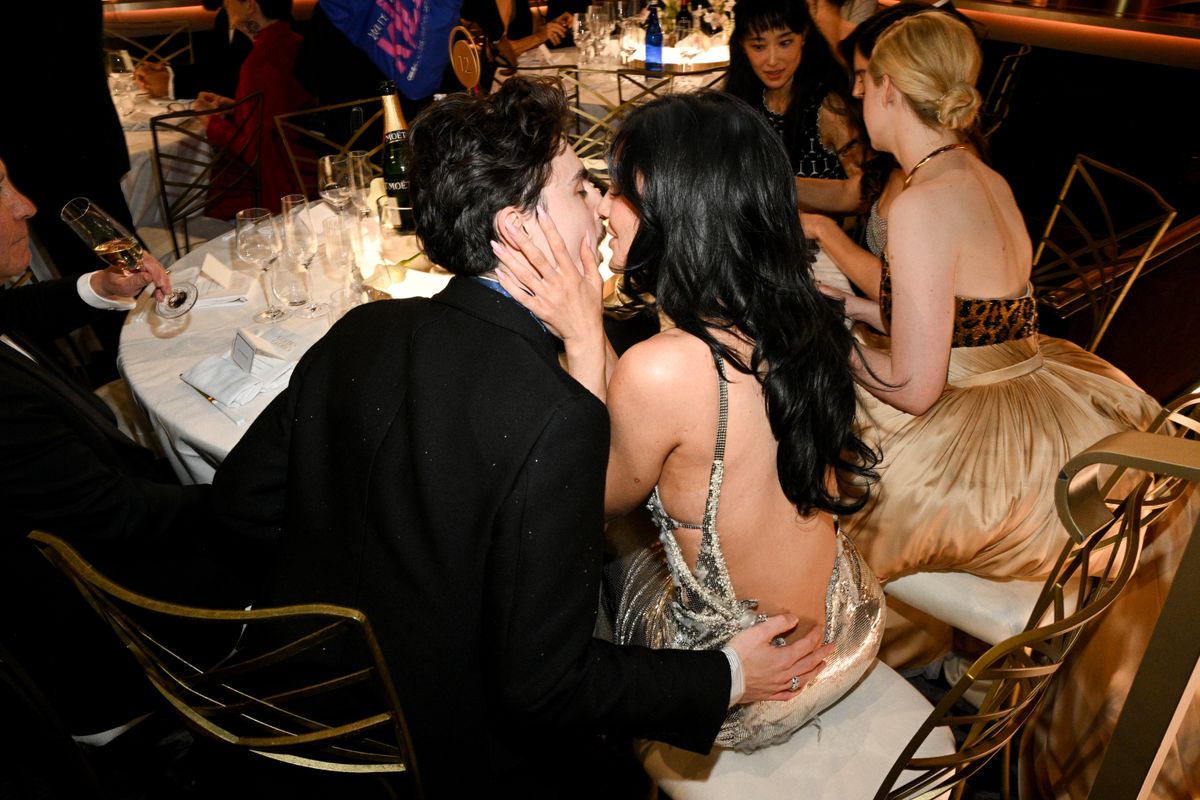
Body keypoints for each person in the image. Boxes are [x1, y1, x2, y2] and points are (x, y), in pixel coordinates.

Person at [211, 78, 827, 794]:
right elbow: (544, 685)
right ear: (517, 229)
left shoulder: (359, 329)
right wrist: (726, 675)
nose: (601, 203)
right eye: (578, 188)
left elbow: (239, 507)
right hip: (440, 750)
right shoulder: (554, 417)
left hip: (296, 705)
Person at [491, 90, 884, 756]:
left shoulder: (664, 369)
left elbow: (594, 500)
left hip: (753, 677)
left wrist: (586, 335)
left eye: (617, 192)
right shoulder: (796, 312)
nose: (601, 207)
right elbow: (666, 415)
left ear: (679, 212)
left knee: (552, 586)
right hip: (844, 621)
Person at [819, 12, 1161, 666]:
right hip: (1049, 407)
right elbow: (975, 321)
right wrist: (857, 307)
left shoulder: (920, 204)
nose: (858, 96)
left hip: (991, 454)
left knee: (808, 445)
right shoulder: (984, 178)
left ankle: (849, 659)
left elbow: (914, 390)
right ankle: (936, 659)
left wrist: (824, 337)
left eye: (868, 83)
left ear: (891, 89)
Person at [0, 157, 229, 736]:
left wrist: (100, 288)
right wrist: (256, 491)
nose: (26, 205)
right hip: (127, 627)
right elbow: (122, 518)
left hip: (108, 517)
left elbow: (11, 314)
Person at [723, 0, 865, 213]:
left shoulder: (828, 106)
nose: (772, 60)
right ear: (742, 45)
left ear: (804, 35)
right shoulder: (742, 97)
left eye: (785, 43)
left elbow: (866, 192)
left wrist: (776, 184)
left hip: (818, 241)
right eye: (758, 46)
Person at [195, 0, 314, 217]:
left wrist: (212, 121)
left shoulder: (259, 63)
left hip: (282, 188)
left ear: (250, 7)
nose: (224, 4)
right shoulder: (294, 42)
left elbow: (257, 150)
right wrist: (237, 107)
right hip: (310, 168)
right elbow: (283, 112)